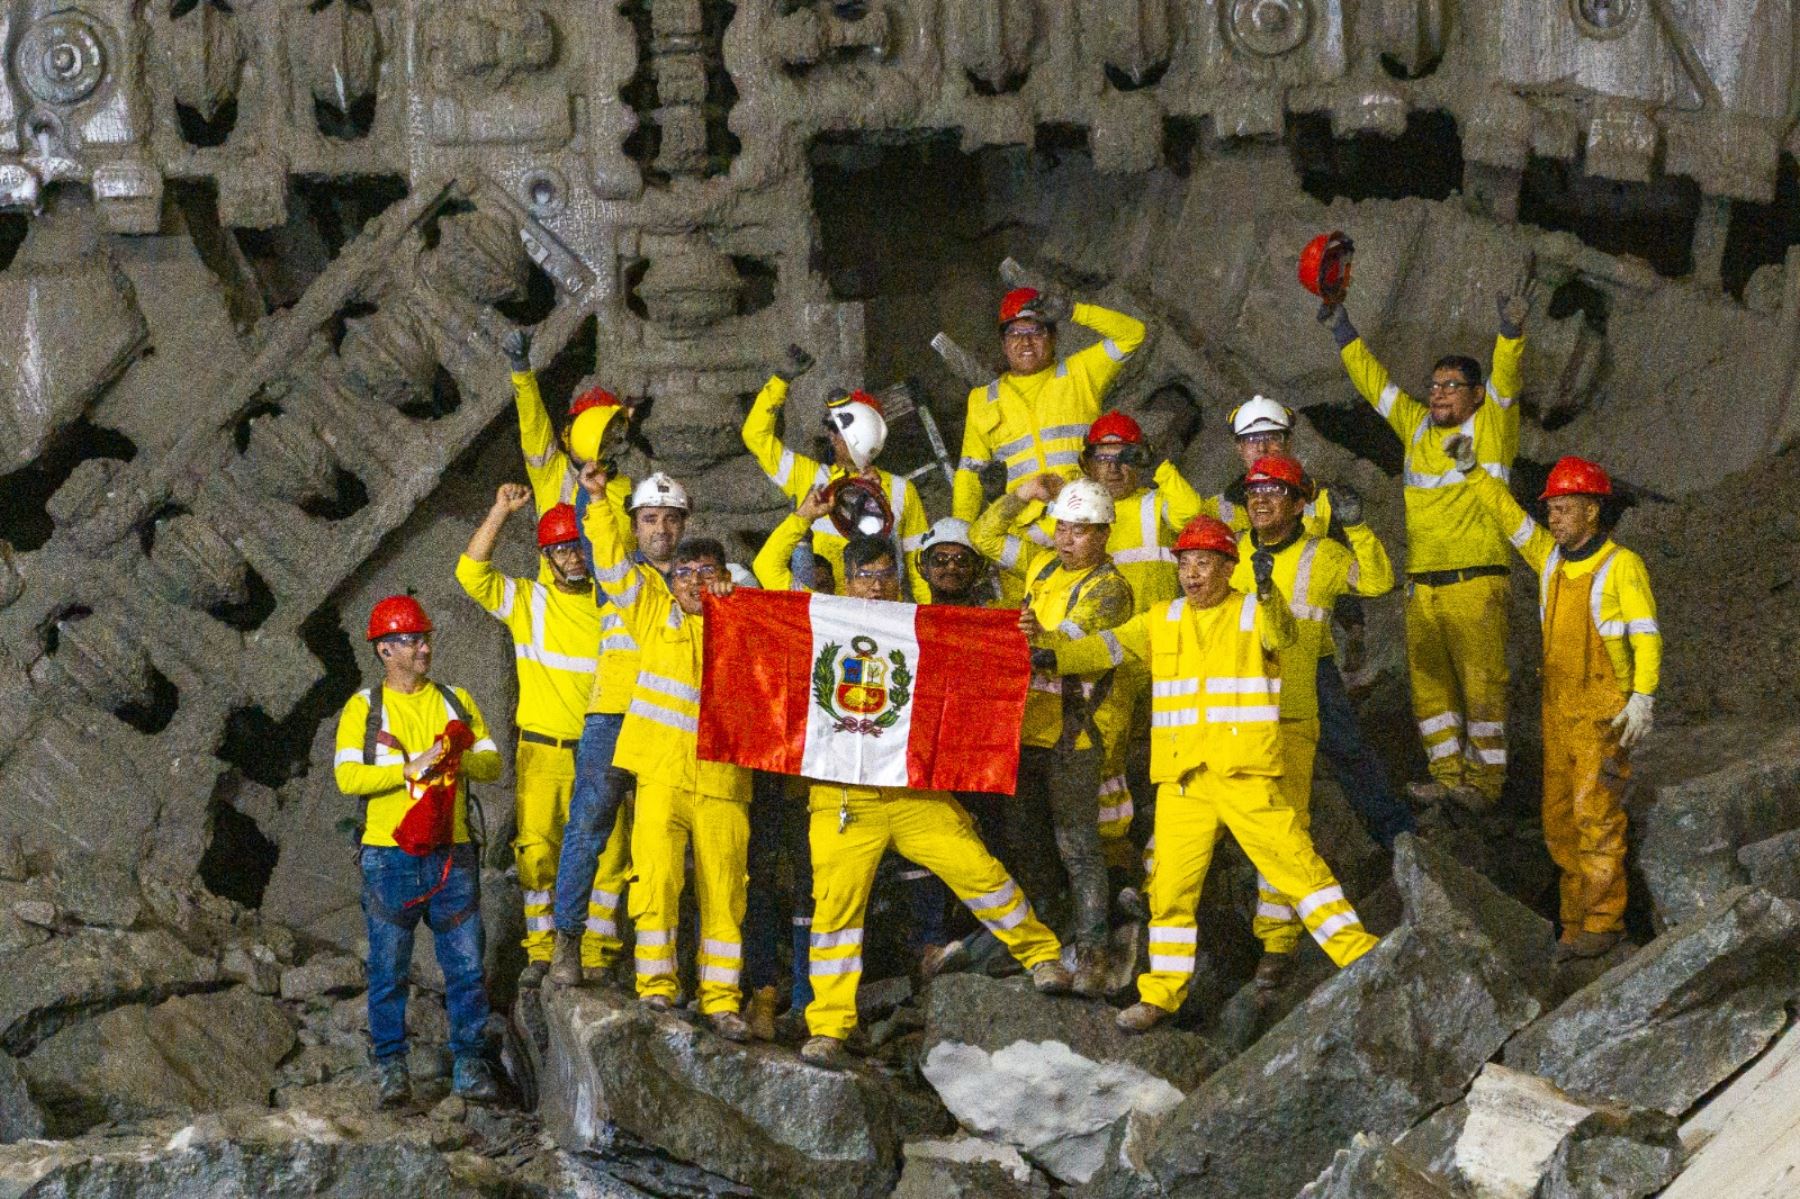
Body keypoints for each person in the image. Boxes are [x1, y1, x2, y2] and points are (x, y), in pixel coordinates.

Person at [1044, 517, 1379, 1032]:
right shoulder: (1162, 618)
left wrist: (1267, 590)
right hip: (1183, 782)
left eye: (1203, 563)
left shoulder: (1252, 611)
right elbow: (1104, 648)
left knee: (1297, 869)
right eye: (1184, 563)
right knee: (1171, 891)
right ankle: (1160, 996)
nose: (1191, 573)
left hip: (1244, 774)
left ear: (1228, 567)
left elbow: (1283, 633)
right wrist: (1046, 653)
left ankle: (1361, 956)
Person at [799, 536, 1072, 1068]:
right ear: (847, 580)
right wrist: (721, 595)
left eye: (884, 576)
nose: (875, 587)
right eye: (865, 576)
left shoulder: (920, 625)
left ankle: (1042, 957)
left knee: (980, 872)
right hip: (843, 798)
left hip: (914, 790)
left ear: (899, 579)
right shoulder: (819, 620)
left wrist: (1013, 635)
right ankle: (830, 1028)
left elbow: (975, 654)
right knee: (835, 912)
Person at [1320, 272, 1538, 811]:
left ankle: (1484, 788)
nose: (1438, 393)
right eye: (1435, 385)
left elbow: (1507, 383)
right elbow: (1376, 386)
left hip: (1476, 583)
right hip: (1425, 587)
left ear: (1475, 395)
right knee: (1432, 690)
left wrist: (1510, 332)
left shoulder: (1492, 426)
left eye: (1451, 386)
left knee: (1484, 688)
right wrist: (1342, 330)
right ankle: (1446, 778)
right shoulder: (1417, 427)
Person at [1451, 438, 1660, 961]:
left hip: (1603, 714)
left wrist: (1642, 699)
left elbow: (1646, 635)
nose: (1554, 518)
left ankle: (1604, 921)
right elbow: (1508, 516)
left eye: (1565, 509)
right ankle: (1572, 924)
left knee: (1597, 818)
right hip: (1559, 710)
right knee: (1559, 818)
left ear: (1593, 510)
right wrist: (1473, 470)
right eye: (1551, 509)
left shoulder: (1621, 566)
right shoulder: (1550, 561)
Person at [579, 463, 755, 1040]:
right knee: (655, 883)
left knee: (725, 892)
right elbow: (608, 562)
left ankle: (721, 999)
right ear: (670, 580)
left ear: (722, 578)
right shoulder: (651, 611)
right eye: (684, 574)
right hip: (659, 776)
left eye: (706, 574)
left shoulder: (743, 622)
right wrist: (600, 502)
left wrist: (738, 596)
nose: (693, 584)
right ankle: (657, 989)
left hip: (724, 783)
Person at [1199, 395, 1414, 848]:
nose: (1262, 449)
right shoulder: (1225, 511)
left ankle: (1396, 837)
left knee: (1345, 749)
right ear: (1238, 448)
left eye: (1271, 438)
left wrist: (1353, 629)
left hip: (1308, 658)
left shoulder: (1318, 501)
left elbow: (1335, 570)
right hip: (1244, 664)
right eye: (1251, 441)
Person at [1226, 456, 1394, 989]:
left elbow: (1376, 581)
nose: (1260, 500)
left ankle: (1276, 943)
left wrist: (1360, 525)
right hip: (1236, 705)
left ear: (1301, 504)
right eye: (1254, 492)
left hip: (1295, 700)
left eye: (1275, 492)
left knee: (1287, 824)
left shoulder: (1323, 555)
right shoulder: (1228, 554)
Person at [333, 596, 503, 1106]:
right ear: (385, 650)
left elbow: (492, 763)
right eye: (412, 640)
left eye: (425, 638)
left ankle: (469, 1064)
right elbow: (347, 777)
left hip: (452, 853)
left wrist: (455, 757)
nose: (424, 647)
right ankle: (391, 1067)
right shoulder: (365, 709)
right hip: (390, 856)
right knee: (388, 970)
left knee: (468, 967)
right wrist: (409, 770)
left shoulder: (456, 701)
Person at [971, 475, 1134, 996]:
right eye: (1062, 527)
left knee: (1078, 846)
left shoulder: (1109, 589)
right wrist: (1021, 493)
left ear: (1104, 534)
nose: (1067, 539)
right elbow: (985, 537)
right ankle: (1048, 936)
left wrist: (1029, 634)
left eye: (1081, 531)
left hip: (1075, 735)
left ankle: (1093, 953)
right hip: (1027, 730)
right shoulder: (1042, 565)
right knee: (1025, 839)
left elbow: (1068, 641)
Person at [455, 487, 611, 989]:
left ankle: (595, 954)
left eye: (579, 545)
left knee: (608, 858)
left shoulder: (615, 606)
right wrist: (500, 509)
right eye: (563, 548)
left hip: (602, 753)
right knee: (537, 854)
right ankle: (543, 951)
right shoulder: (529, 601)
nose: (573, 555)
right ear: (547, 556)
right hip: (543, 751)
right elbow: (470, 572)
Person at [548, 471, 691, 988]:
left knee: (659, 842)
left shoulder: (696, 581)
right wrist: (596, 498)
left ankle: (649, 963)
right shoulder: (619, 575)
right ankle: (567, 941)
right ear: (635, 525)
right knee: (589, 827)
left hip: (669, 720)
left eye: (671, 520)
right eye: (650, 519)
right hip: (613, 713)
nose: (661, 530)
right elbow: (603, 547)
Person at [742, 346, 931, 601]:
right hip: (827, 610)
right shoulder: (810, 478)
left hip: (883, 613)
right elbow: (756, 436)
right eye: (830, 428)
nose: (830, 435)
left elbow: (919, 569)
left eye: (836, 428)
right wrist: (780, 383)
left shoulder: (900, 490)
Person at [952, 279, 1147, 521]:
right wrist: (959, 533)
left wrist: (1072, 310)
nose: (1026, 341)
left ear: (1053, 338)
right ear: (1003, 344)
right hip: (1025, 526)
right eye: (1015, 333)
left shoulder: (1080, 373)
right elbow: (969, 474)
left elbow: (1133, 334)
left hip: (1086, 516)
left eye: (1037, 331)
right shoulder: (982, 399)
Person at [916, 518, 999, 607]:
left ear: (978, 567)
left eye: (962, 559)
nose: (951, 566)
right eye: (940, 558)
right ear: (924, 565)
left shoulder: (997, 620)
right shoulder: (904, 620)